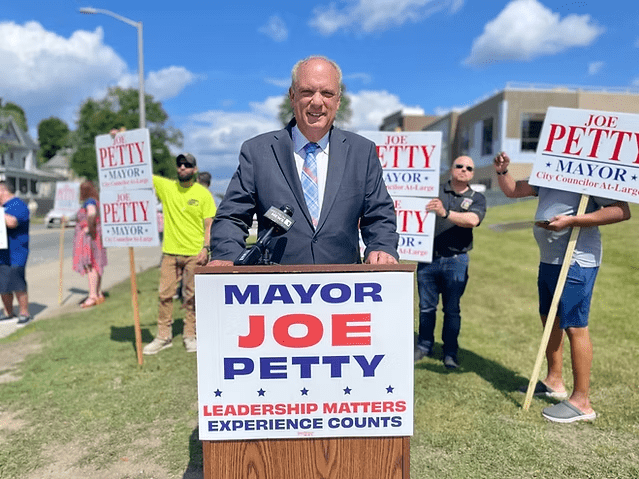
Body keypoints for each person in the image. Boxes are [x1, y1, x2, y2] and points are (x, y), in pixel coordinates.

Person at [209, 55, 398, 266]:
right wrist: (225, 256)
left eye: (327, 93)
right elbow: (232, 216)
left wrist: (382, 247)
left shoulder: (362, 152)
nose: (317, 102)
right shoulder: (257, 152)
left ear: (338, 100)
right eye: (307, 92)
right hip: (274, 290)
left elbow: (379, 215)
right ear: (292, 96)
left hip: (344, 289)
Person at [494, 151, 630, 423]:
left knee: (575, 325)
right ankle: (555, 381)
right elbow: (514, 191)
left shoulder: (589, 175)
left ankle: (582, 402)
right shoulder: (550, 170)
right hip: (550, 259)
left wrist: (572, 221)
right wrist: (502, 172)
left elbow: (621, 211)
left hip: (577, 260)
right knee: (550, 320)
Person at [414, 156, 486, 369]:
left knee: (452, 309)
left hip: (456, 260)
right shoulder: (433, 192)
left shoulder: (477, 198)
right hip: (428, 259)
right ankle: (424, 345)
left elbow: (473, 220)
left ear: (472, 174)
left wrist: (445, 213)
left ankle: (450, 352)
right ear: (451, 169)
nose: (463, 170)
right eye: (459, 166)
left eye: (468, 168)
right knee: (426, 307)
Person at [143, 153, 217, 355]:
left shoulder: (203, 194)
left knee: (191, 296)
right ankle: (163, 336)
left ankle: (189, 334)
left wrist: (206, 248)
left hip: (195, 253)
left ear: (195, 169)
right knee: (164, 295)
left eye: (187, 165)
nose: (183, 167)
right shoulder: (166, 188)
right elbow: (139, 172)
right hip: (170, 253)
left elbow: (209, 224)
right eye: (180, 164)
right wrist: (119, 141)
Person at [0, 181, 31, 326]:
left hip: (16, 252)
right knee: (3, 285)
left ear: (3, 190)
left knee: (17, 283)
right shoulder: (3, 207)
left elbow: (12, 222)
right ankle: (8, 312)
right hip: (2, 254)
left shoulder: (19, 205)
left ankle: (24, 313)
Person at [72, 180, 107, 308]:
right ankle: (98, 293)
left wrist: (89, 228)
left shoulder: (89, 202)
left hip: (90, 237)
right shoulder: (97, 201)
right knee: (97, 264)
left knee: (90, 265)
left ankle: (92, 296)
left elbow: (91, 213)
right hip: (97, 236)